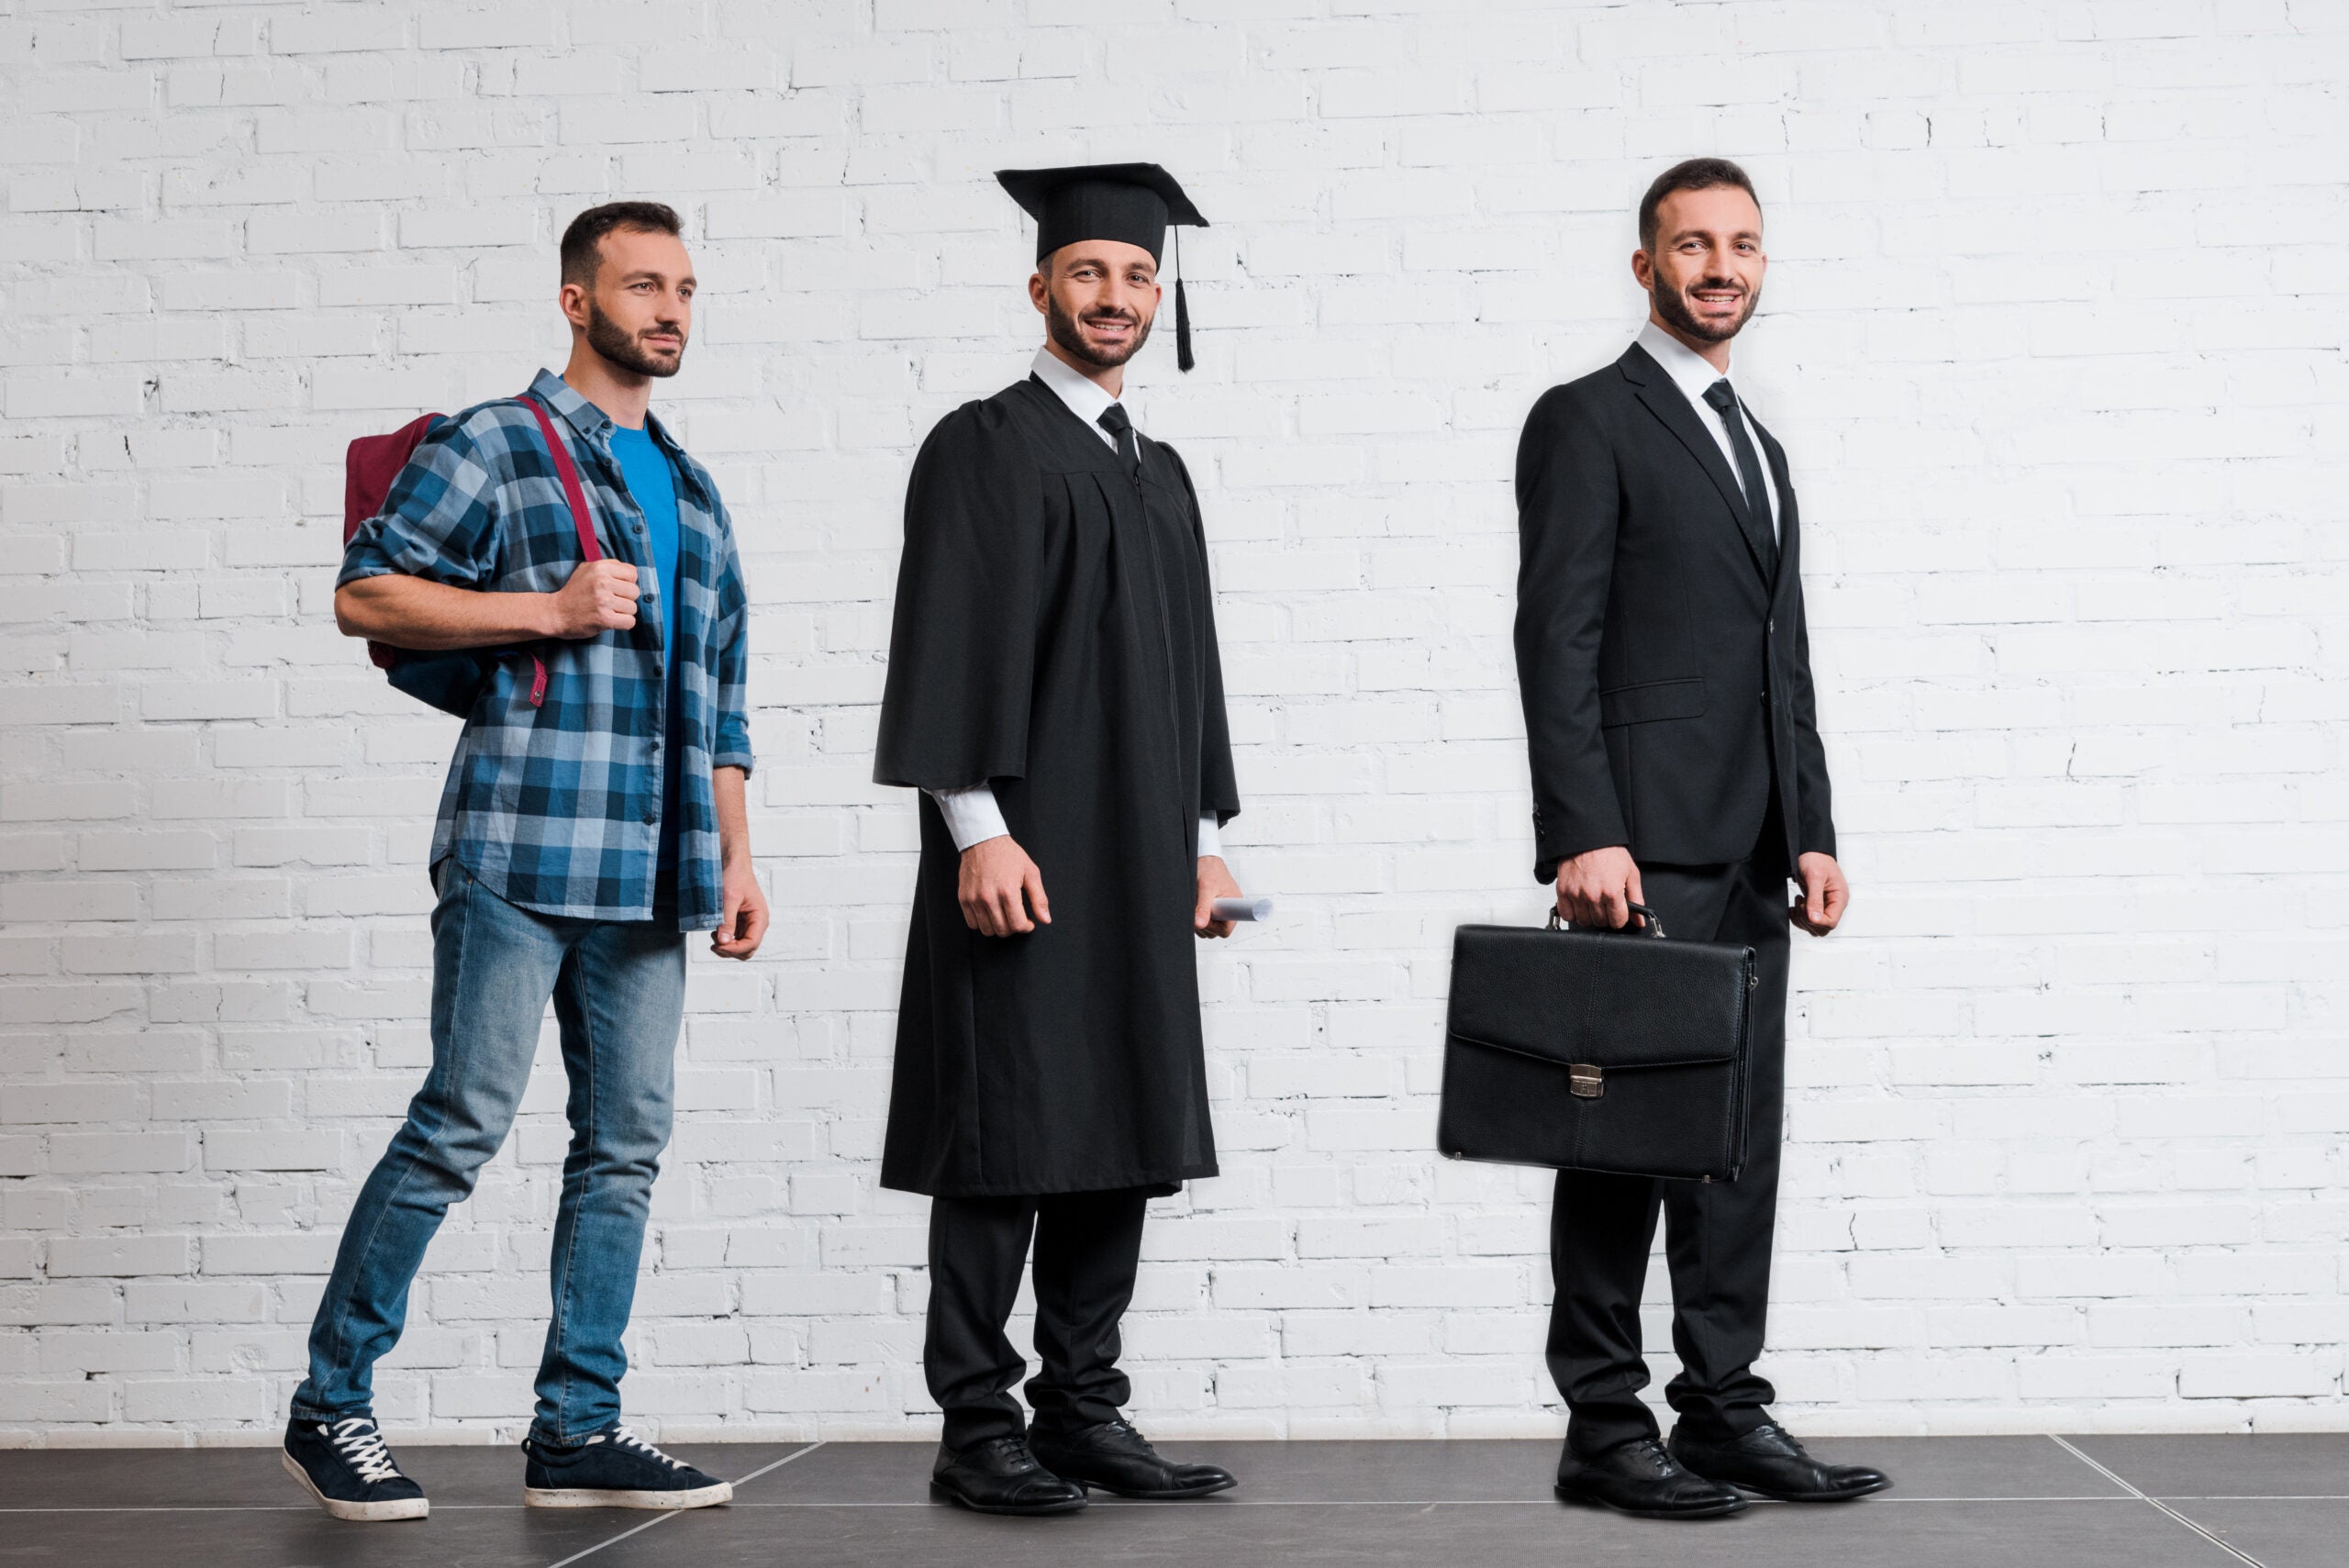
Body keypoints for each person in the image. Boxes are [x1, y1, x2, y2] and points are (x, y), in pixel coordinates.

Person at [283, 200, 764, 1522]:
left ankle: (579, 1428)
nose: (669, 309)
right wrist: (545, 608)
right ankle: (331, 1402)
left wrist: (735, 854)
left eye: (684, 288)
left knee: (626, 1148)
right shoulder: (496, 441)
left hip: (656, 870)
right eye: (642, 285)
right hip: (520, 843)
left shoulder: (695, 489)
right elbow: (365, 592)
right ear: (576, 300)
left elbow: (720, 700)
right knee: (461, 1124)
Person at [1512, 159, 1889, 1519]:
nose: (1721, 265)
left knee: (1735, 1141)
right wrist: (1583, 831)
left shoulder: (1760, 444)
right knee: (1619, 1142)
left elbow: (1781, 657)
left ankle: (1724, 1408)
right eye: (1692, 245)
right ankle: (1604, 1427)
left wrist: (1816, 829)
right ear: (1645, 266)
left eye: (1741, 245)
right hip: (1638, 851)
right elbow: (1552, 637)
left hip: (1745, 854)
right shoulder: (1585, 420)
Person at [873, 162, 1245, 1517]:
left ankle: (1084, 1409)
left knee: (1123, 1119)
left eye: (1139, 276)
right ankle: (980, 1426)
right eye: (1090, 272)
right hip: (1025, 847)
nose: (1117, 296)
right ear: (1041, 287)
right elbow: (948, 641)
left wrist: (1203, 841)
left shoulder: (1162, 472)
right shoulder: (985, 443)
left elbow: (1189, 672)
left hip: (1143, 850)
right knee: (1008, 1131)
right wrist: (975, 827)